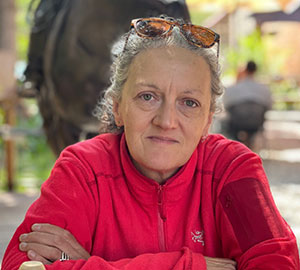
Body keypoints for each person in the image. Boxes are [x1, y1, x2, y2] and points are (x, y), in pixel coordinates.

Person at [2, 17, 299, 270]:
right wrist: (191, 265)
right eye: (148, 96)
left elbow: (278, 262)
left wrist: (89, 263)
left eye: (189, 102)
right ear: (117, 107)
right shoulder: (83, 168)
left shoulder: (232, 167)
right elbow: (20, 264)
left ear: (208, 120)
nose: (167, 120)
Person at [222, 61, 273, 148]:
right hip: (256, 124)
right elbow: (269, 106)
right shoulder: (264, 89)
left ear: (245, 70)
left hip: (236, 123)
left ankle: (237, 146)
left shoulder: (233, 88)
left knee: (226, 124)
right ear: (255, 70)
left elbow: (226, 105)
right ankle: (248, 143)